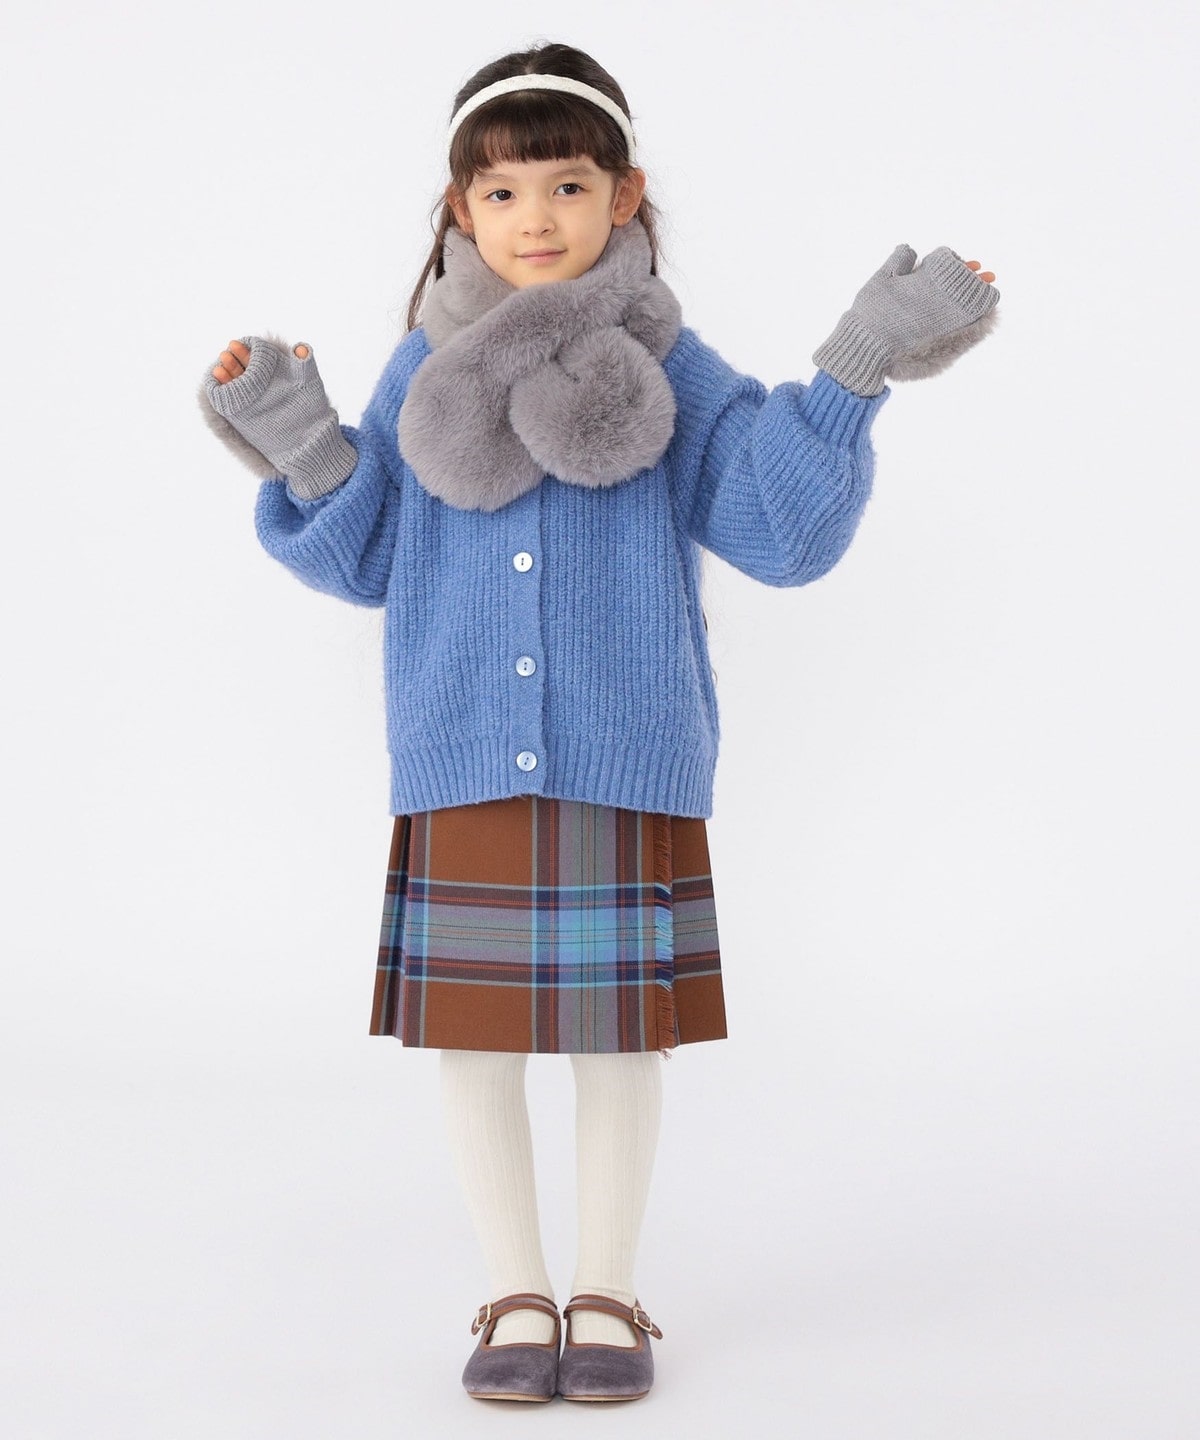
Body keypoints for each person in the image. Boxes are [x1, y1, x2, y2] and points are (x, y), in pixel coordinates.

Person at [198, 40, 999, 1405]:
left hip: (627, 750)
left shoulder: (670, 364)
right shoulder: (420, 371)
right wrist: (305, 442)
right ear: (461, 209)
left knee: (620, 1036)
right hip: (462, 745)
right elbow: (373, 556)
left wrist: (858, 367)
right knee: (476, 1035)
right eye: (503, 193)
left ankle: (610, 1291)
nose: (537, 219)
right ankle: (515, 1289)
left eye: (567, 185)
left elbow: (778, 527)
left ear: (623, 196)